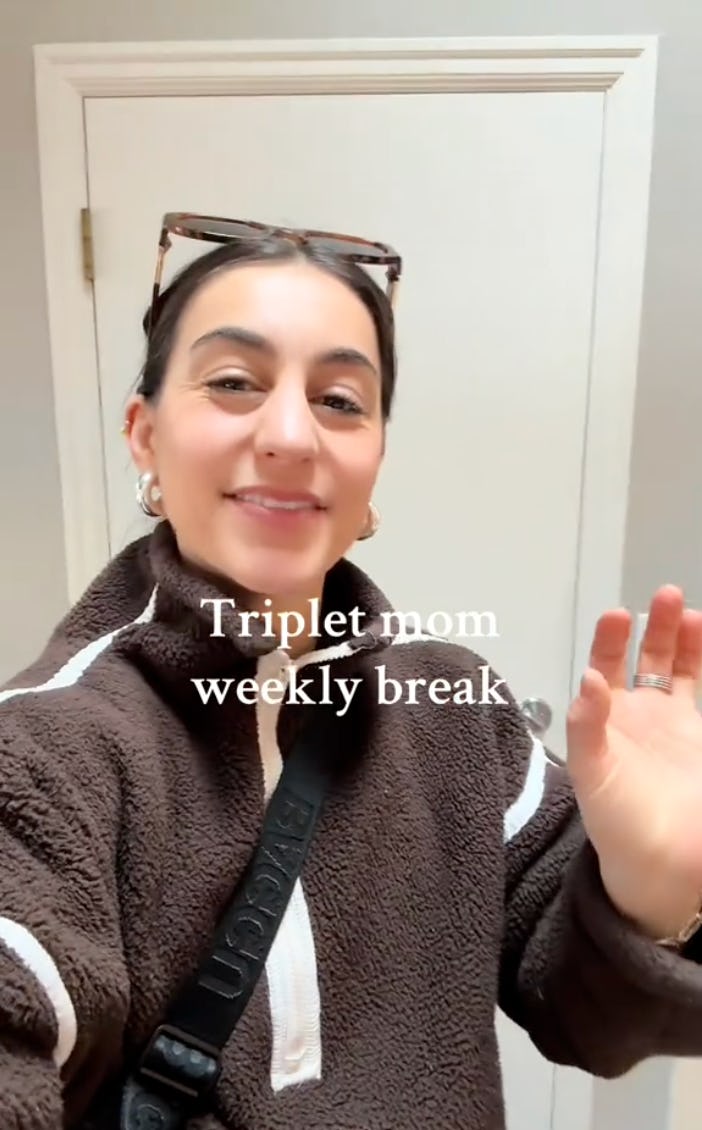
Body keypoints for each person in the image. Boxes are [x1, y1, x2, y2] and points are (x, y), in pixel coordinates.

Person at [2, 213, 702, 1130]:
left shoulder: (453, 707)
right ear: (144, 435)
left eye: (340, 400)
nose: (292, 434)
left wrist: (658, 888)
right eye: (233, 382)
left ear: (373, 464)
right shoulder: (47, 749)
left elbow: (592, 1016)